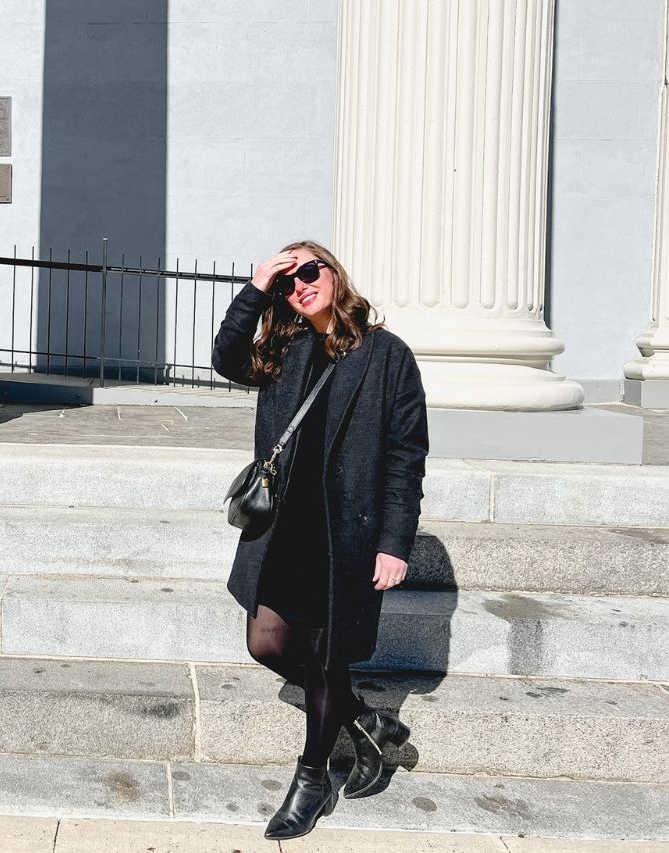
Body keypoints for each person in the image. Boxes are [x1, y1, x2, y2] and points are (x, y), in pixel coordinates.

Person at [211, 240, 428, 839]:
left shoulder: (388, 356)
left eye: (309, 271)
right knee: (268, 644)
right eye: (288, 282)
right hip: (282, 530)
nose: (300, 285)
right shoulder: (283, 351)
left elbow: (406, 457)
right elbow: (225, 358)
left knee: (328, 659)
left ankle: (312, 776)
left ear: (335, 273)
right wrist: (257, 288)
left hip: (347, 537)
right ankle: (365, 721)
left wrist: (395, 541)